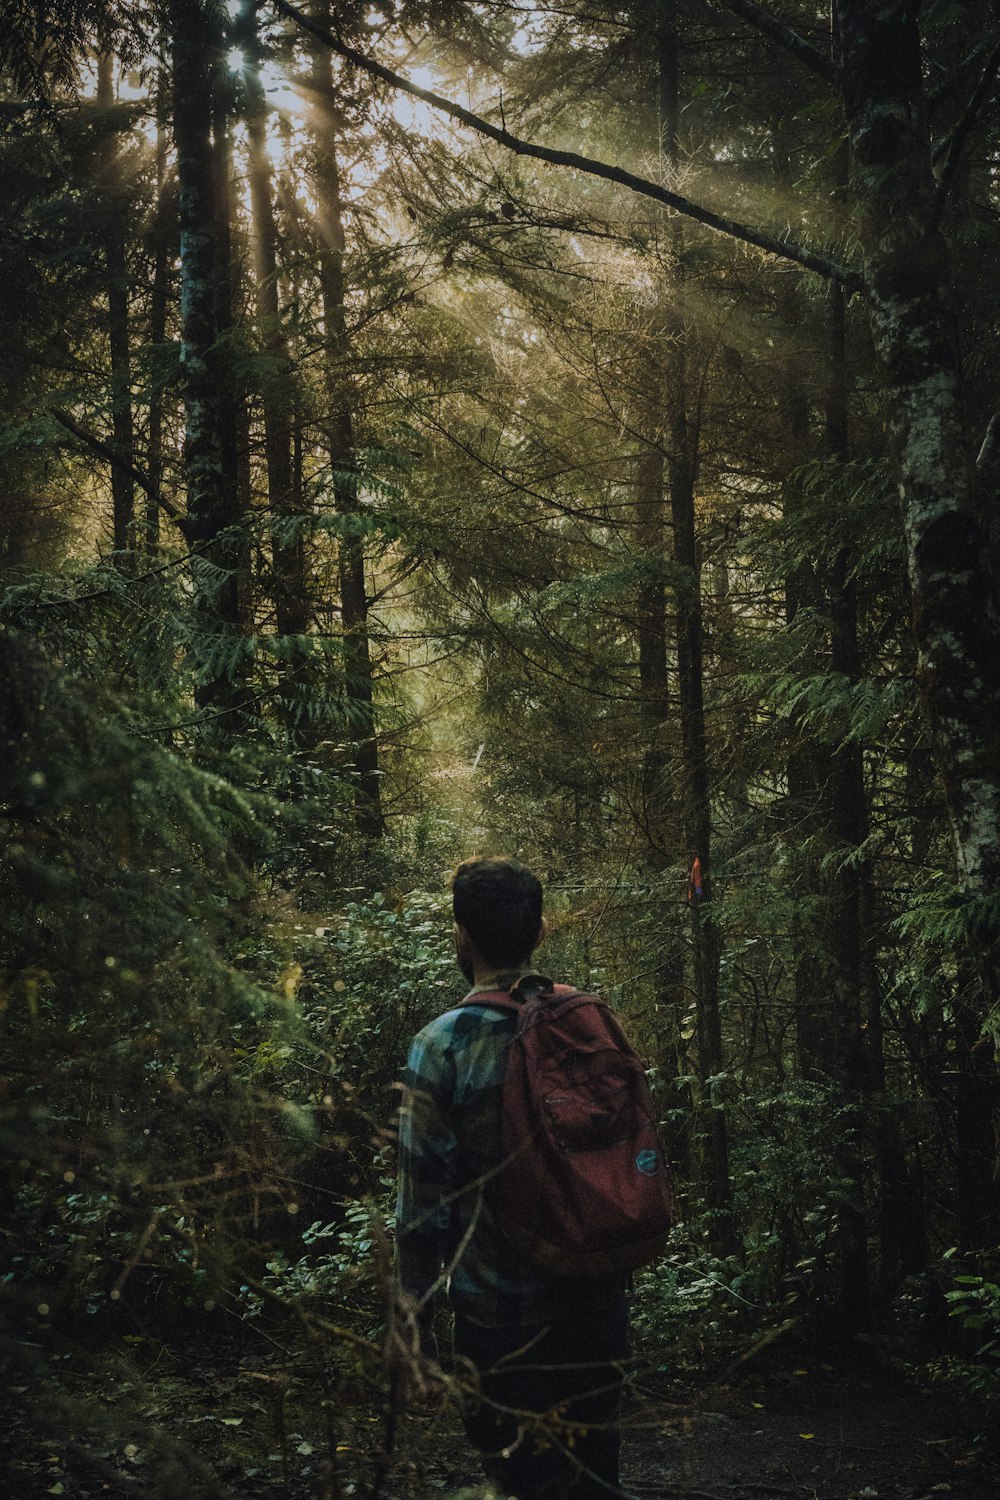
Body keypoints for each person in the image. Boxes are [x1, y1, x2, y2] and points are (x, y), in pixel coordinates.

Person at [395, 855, 630, 1499]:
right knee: (594, 1474)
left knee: (523, 1479)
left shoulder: (443, 1043)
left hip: (499, 1314)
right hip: (599, 1294)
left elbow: (423, 1206)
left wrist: (409, 1323)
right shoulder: (590, 1022)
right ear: (542, 930)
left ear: (461, 936)